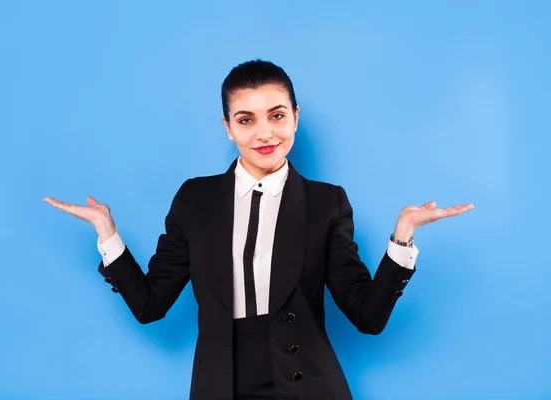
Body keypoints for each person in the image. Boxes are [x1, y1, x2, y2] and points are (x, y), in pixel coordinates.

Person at [44, 59, 474, 400]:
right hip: (219, 385)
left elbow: (368, 316)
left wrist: (402, 239)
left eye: (277, 115)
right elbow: (150, 305)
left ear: (295, 117)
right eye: (246, 119)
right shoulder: (195, 199)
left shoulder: (327, 202)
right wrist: (107, 233)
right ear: (227, 127)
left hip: (308, 387)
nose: (265, 133)